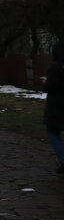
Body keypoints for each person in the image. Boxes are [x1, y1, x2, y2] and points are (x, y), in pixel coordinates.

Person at [45, 41, 64, 175]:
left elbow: (51, 87)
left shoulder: (55, 68)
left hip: (57, 106)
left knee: (53, 132)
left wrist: (44, 86)